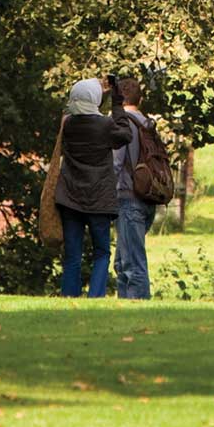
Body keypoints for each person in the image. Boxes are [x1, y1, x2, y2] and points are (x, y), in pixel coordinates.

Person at [53, 78, 135, 298]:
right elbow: (125, 135)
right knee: (101, 252)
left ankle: (69, 295)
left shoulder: (67, 124)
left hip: (70, 196)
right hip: (99, 198)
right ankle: (95, 296)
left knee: (72, 254)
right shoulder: (105, 126)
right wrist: (117, 104)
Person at [111, 75, 159, 300]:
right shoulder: (147, 124)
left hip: (127, 196)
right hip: (148, 194)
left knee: (131, 262)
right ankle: (124, 307)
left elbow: (116, 163)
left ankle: (139, 307)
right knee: (122, 260)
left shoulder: (122, 124)